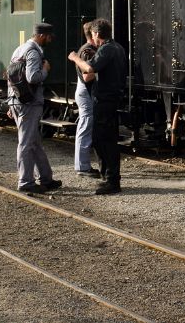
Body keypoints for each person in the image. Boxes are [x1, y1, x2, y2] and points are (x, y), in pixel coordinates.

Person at [68, 18, 126, 195]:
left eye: (93, 34)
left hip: (105, 100)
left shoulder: (107, 49)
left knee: (104, 140)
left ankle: (111, 180)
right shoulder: (118, 47)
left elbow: (89, 69)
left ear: (96, 33)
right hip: (111, 99)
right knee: (105, 139)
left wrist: (75, 58)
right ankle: (108, 176)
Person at [8, 22, 62, 194]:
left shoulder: (19, 49)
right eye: (49, 37)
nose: (50, 40)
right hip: (29, 104)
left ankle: (46, 178)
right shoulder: (33, 52)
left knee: (34, 142)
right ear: (41, 36)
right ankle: (25, 181)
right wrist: (45, 70)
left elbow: (10, 76)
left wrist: (11, 102)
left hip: (18, 101)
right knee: (26, 143)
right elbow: (33, 77)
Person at [73, 21, 99, 178]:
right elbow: (87, 76)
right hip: (86, 93)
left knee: (86, 127)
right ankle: (82, 167)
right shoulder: (87, 51)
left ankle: (83, 165)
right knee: (85, 128)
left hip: (85, 92)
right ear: (93, 34)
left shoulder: (88, 49)